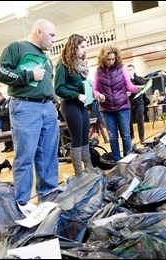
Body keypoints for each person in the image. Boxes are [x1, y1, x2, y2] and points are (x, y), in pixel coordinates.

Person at [0, 19, 59, 207]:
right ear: (39, 31)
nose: (54, 40)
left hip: (47, 108)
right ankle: (21, 204)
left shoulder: (45, 57)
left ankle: (48, 199)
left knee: (48, 155)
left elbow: (46, 83)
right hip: (25, 107)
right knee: (25, 156)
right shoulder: (17, 47)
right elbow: (1, 71)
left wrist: (55, 98)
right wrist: (28, 76)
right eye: (51, 35)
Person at [93, 44, 142, 162]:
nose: (111, 62)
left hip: (123, 106)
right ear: (103, 58)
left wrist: (138, 89)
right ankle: (117, 160)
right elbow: (95, 89)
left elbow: (128, 85)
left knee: (126, 135)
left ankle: (129, 159)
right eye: (108, 59)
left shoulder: (121, 68)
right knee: (112, 137)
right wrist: (98, 95)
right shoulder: (98, 71)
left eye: (113, 59)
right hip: (106, 109)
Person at [54, 33, 94, 176]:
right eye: (82, 47)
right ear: (74, 47)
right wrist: (76, 95)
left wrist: (87, 85)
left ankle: (89, 168)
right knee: (77, 140)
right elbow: (58, 88)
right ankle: (79, 173)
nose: (84, 50)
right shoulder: (62, 65)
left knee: (85, 138)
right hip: (70, 105)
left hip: (81, 105)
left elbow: (78, 84)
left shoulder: (80, 64)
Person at [127, 64, 146, 143]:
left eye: (131, 70)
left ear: (134, 71)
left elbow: (143, 84)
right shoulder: (125, 80)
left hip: (139, 102)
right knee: (129, 121)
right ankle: (131, 136)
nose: (129, 71)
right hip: (129, 103)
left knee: (140, 120)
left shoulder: (139, 78)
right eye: (128, 70)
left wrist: (134, 78)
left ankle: (142, 138)